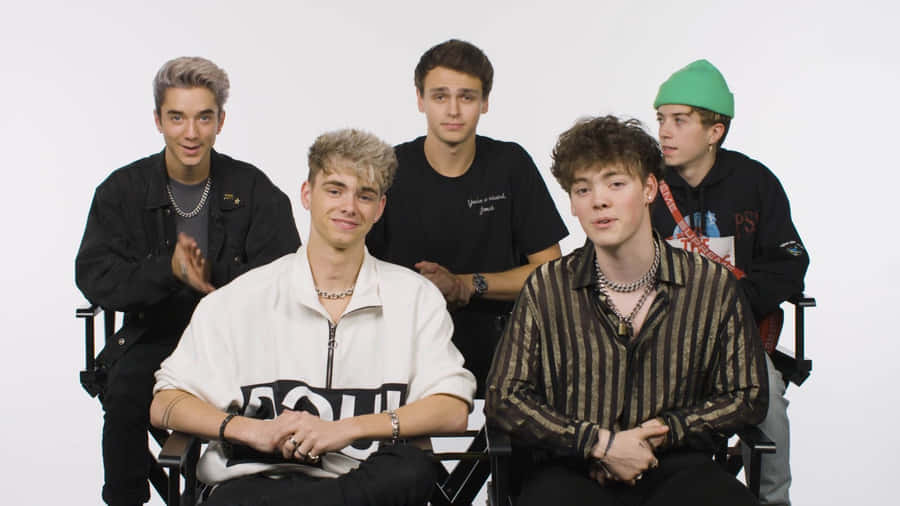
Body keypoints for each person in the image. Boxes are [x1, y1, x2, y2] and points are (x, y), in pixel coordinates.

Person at [150, 128, 476, 506]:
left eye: (365, 195)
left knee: (408, 468)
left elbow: (452, 410)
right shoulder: (241, 299)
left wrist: (345, 430)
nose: (349, 206)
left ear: (380, 208)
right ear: (307, 194)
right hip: (261, 483)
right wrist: (248, 431)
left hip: (367, 486)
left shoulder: (414, 298)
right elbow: (166, 402)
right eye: (335, 190)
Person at [486, 115, 768, 506]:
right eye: (582, 189)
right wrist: (599, 443)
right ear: (572, 203)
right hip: (570, 469)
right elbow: (505, 396)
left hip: (677, 465)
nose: (598, 200)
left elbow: (746, 395)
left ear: (650, 187)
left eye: (615, 183)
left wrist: (664, 430)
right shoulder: (547, 287)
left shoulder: (711, 285)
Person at [75, 56, 301, 506]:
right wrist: (168, 271)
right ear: (158, 120)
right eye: (177, 117)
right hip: (155, 338)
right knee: (124, 394)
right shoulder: (122, 191)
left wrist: (216, 286)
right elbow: (95, 274)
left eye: (203, 117)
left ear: (221, 121)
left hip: (238, 343)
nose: (191, 133)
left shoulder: (254, 190)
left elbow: (285, 275)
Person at [367, 39, 567, 395]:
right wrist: (419, 291)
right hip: (402, 354)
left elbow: (551, 272)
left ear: (485, 102)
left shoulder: (510, 165)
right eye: (440, 96)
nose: (454, 110)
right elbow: (356, 272)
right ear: (420, 99)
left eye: (467, 97)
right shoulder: (389, 170)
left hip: (504, 355)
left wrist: (466, 284)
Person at [651, 59, 809, 506]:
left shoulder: (755, 183)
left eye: (679, 121)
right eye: (661, 118)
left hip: (734, 341)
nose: (664, 131)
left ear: (714, 131)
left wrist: (733, 300)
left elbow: (791, 260)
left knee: (770, 400)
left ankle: (772, 500)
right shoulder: (645, 184)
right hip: (654, 341)